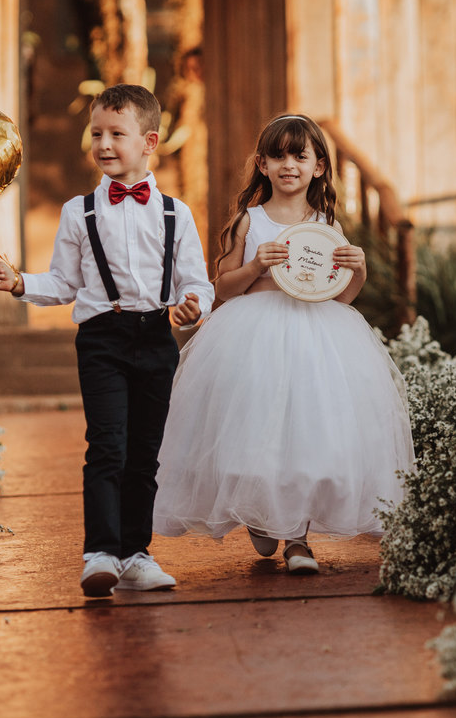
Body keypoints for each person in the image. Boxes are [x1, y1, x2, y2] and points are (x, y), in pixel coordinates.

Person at [151, 114, 414, 575]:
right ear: (262, 164)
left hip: (317, 335)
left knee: (307, 434)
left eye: (300, 155)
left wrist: (360, 270)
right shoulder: (248, 222)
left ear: (318, 168)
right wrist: (255, 266)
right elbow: (223, 287)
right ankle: (260, 510)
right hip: (254, 334)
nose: (288, 164)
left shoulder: (325, 224)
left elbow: (340, 295)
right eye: (278, 156)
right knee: (255, 430)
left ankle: (297, 538)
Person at [0, 84, 213, 597]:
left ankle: (136, 554)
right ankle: (100, 553)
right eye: (96, 134)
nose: (103, 144)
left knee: (145, 453)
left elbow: (196, 281)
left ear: (149, 141)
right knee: (107, 444)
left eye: (116, 134)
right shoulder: (78, 212)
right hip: (102, 338)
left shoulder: (176, 214)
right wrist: (21, 282)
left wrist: (193, 304)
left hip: (157, 337)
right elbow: (64, 284)